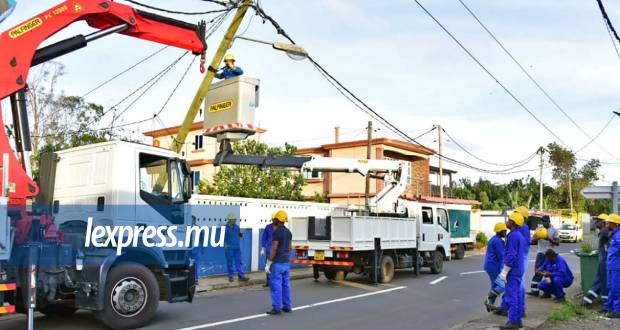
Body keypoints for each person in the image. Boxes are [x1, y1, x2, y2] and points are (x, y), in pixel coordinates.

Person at [498, 212, 527, 330]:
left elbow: (511, 255)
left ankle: (513, 321)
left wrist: (505, 271)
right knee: (518, 294)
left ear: (513, 223)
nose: (507, 221)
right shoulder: (518, 235)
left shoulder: (513, 236)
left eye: (509, 219)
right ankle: (518, 320)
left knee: (512, 295)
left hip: (513, 270)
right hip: (518, 269)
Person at [265, 210, 293, 315]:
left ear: (277, 220)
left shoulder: (276, 232)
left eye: (275, 219)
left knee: (276, 285)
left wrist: (268, 263)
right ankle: (287, 306)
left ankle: (277, 308)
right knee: (286, 285)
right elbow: (289, 247)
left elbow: (274, 248)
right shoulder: (289, 232)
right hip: (286, 262)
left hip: (277, 263)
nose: (274, 220)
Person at [528, 215, 560, 297]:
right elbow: (532, 241)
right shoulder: (539, 230)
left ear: (549, 221)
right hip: (541, 253)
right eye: (543, 221)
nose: (544, 222)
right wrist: (537, 238)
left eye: (545, 221)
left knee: (548, 272)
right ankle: (534, 290)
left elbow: (557, 243)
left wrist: (549, 239)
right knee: (538, 271)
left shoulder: (554, 230)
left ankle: (547, 292)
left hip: (549, 255)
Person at [583, 214, 611, 306]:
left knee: (600, 282)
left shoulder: (605, 231)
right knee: (603, 282)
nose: (596, 223)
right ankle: (604, 302)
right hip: (603, 261)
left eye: (598, 221)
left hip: (604, 261)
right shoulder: (604, 231)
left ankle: (587, 300)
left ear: (604, 222)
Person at [484, 222, 507, 312]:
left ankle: (490, 304)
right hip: (494, 266)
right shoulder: (498, 241)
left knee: (495, 286)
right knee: (502, 286)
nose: (506, 232)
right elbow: (501, 255)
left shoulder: (493, 239)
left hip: (490, 265)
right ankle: (489, 299)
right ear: (500, 231)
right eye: (504, 231)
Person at [601, 213, 620, 318]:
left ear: (616, 224)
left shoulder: (619, 234)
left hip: (617, 266)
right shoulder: (614, 233)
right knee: (611, 287)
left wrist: (615, 255)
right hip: (612, 265)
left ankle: (618, 311)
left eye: (609, 222)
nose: (607, 223)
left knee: (616, 288)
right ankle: (608, 307)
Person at [224, 213, 249, 282]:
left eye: (235, 220)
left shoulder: (237, 227)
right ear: (229, 220)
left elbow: (240, 235)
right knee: (230, 263)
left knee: (239, 262)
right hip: (229, 248)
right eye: (233, 220)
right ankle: (231, 276)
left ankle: (241, 276)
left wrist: (242, 232)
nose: (235, 221)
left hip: (237, 248)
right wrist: (225, 245)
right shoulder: (225, 228)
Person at [261, 214, 276, 287]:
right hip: (269, 249)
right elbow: (264, 238)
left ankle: (275, 282)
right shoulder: (268, 227)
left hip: (278, 250)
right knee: (268, 266)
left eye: (275, 219)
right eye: (273, 219)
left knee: (276, 266)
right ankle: (268, 282)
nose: (274, 221)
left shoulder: (281, 228)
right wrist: (263, 248)